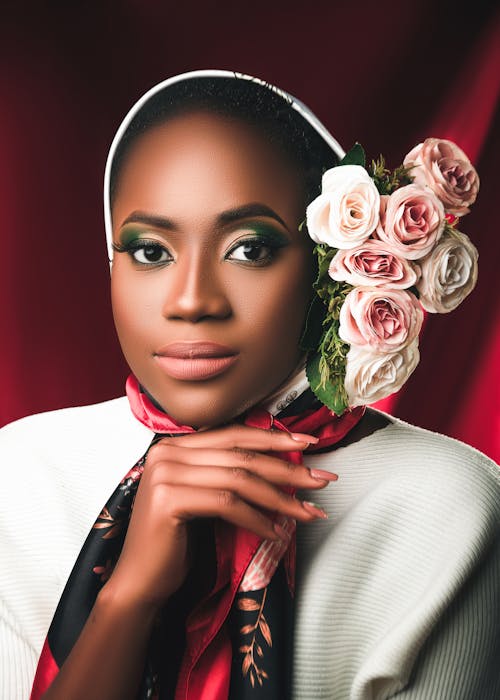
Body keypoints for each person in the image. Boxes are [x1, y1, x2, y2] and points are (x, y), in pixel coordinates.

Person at [0, 70, 499, 700]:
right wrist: (128, 598)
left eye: (250, 249)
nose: (191, 301)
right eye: (151, 252)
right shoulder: (19, 476)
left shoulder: (444, 503)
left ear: (331, 268)